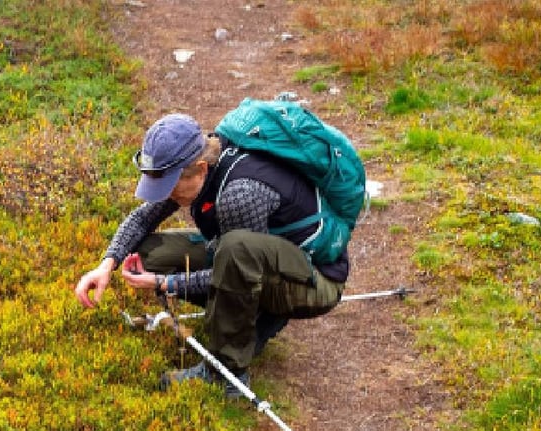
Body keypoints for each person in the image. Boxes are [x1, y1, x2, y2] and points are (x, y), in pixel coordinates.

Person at [74, 112, 348, 394]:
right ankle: (250, 321)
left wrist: (163, 284)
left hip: (312, 282)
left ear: (201, 168)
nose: (167, 196)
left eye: (171, 188)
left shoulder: (239, 195)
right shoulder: (203, 157)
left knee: (234, 249)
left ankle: (227, 372)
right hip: (262, 262)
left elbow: (233, 269)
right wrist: (106, 265)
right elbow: (143, 218)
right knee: (150, 255)